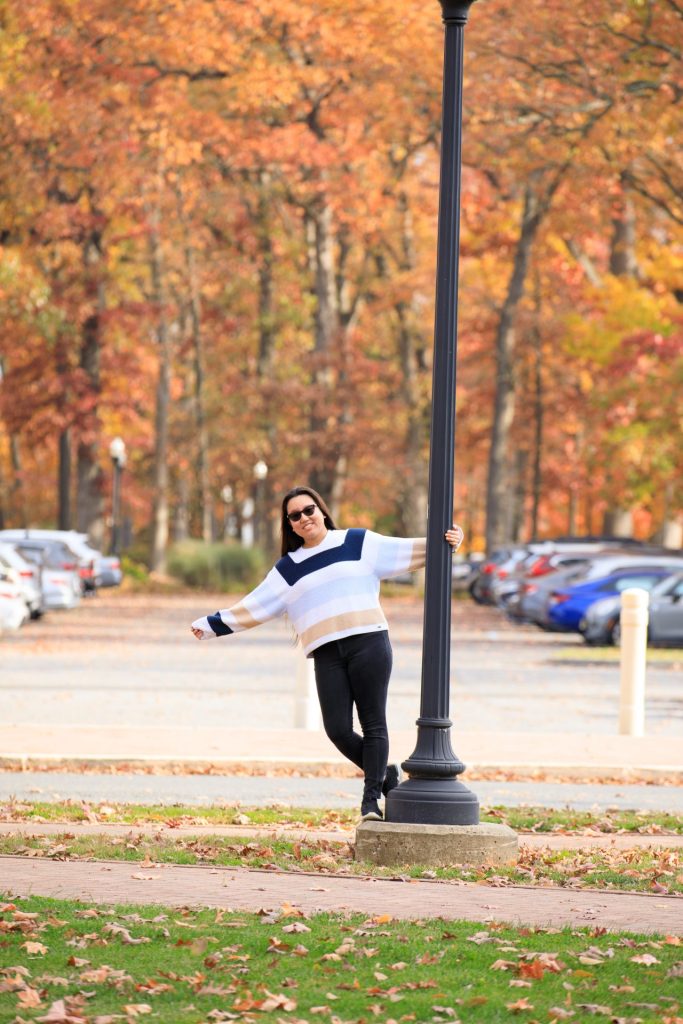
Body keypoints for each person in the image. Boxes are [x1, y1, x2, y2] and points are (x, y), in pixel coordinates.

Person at [191, 485, 464, 822]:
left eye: (309, 510)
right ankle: (387, 778)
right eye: (295, 515)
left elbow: (411, 550)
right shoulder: (288, 569)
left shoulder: (358, 543)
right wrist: (213, 624)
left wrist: (449, 540)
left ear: (322, 511)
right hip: (326, 653)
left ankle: (370, 802)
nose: (304, 518)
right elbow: (255, 605)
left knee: (373, 723)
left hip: (369, 644)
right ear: (289, 525)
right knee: (337, 729)